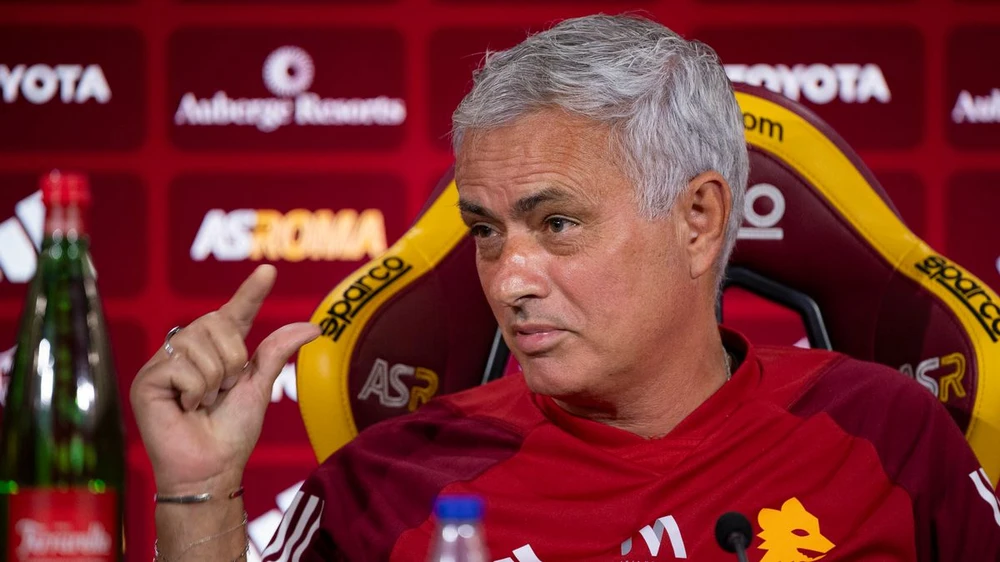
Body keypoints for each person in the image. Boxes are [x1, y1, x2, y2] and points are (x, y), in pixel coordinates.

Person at [131, 14, 1000, 562]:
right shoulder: (388, 481)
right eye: (486, 230)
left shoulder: (885, 433)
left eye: (556, 224)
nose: (509, 281)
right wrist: (199, 489)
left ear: (698, 220)